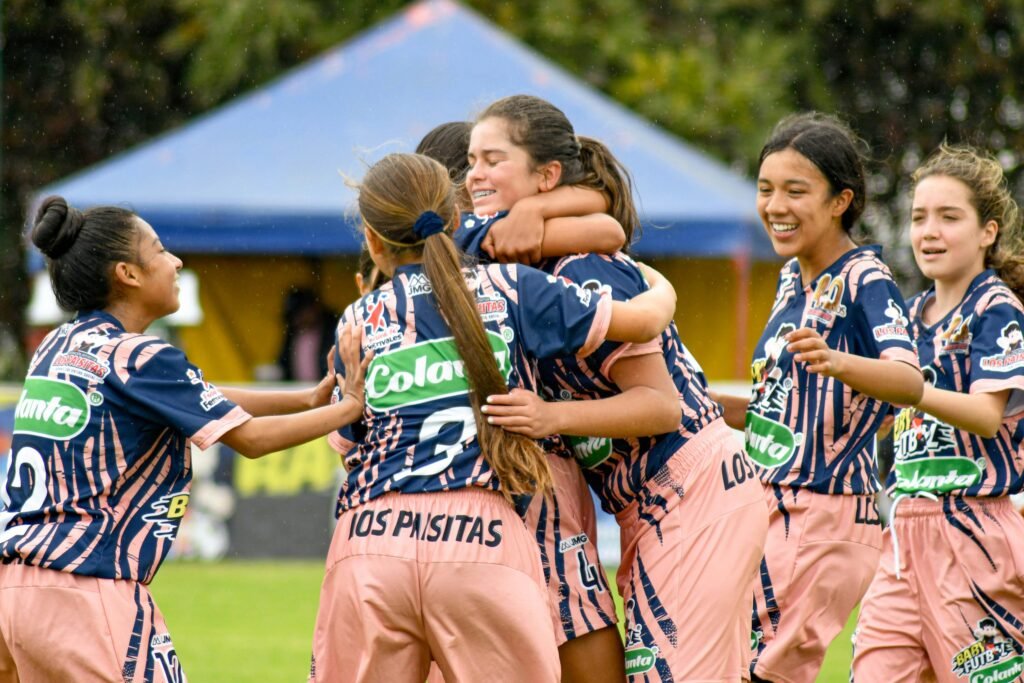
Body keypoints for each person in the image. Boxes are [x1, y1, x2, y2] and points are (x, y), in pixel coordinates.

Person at [308, 152, 677, 682]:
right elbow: (643, 322)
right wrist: (659, 286)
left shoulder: (357, 318)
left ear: (371, 240)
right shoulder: (511, 287)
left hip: (369, 539)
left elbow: (347, 443)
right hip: (480, 537)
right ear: (457, 221)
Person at [0, 197, 369, 683]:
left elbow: (199, 396)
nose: (175, 261)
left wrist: (305, 400)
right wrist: (348, 408)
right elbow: (252, 440)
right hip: (87, 590)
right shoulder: (142, 356)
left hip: (14, 588)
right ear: (127, 274)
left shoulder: (57, 345)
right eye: (160, 250)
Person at [469, 94, 769, 682]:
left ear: (546, 178)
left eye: (491, 158)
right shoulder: (514, 265)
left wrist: (550, 418)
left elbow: (660, 407)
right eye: (470, 160)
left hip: (690, 493)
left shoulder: (582, 265)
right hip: (656, 505)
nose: (474, 173)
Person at [713, 112, 924, 683]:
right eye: (765, 189)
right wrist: (696, 402)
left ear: (840, 201)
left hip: (826, 515)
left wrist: (837, 361)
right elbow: (774, 412)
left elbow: (909, 382)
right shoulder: (791, 280)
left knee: (760, 676)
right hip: (770, 507)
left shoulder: (866, 279)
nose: (775, 205)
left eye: (795, 190)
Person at [852, 144, 1024, 682]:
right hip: (902, 533)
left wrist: (910, 390)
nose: (929, 231)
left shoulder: (997, 309)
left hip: (974, 533)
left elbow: (984, 416)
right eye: (919, 217)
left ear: (987, 232)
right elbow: (890, 413)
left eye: (949, 217)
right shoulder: (905, 316)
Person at [277, 287, 337, 381]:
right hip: (299, 390)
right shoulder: (292, 334)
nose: (298, 320)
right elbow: (283, 364)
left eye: (300, 314)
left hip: (327, 388)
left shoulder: (333, 330)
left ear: (313, 308)